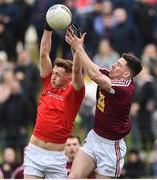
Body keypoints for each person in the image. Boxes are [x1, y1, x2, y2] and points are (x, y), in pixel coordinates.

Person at [65, 26, 142, 178]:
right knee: (73, 177)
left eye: (118, 65)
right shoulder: (111, 74)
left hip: (111, 147)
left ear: (125, 74)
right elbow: (90, 68)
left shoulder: (124, 88)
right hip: (95, 137)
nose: (113, 64)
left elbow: (94, 75)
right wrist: (77, 46)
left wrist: (78, 47)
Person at [23, 21, 85, 178]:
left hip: (56, 158)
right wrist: (48, 27)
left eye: (57, 74)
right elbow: (43, 53)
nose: (53, 77)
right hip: (34, 152)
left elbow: (77, 70)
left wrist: (77, 48)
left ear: (68, 77)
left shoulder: (74, 92)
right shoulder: (47, 84)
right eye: (53, 73)